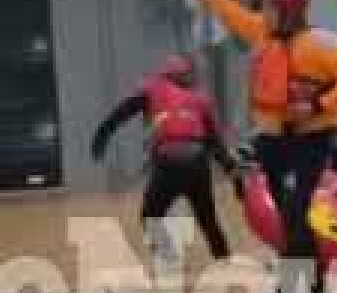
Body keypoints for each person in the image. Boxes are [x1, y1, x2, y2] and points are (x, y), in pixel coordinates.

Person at [187, 0, 337, 293]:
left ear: (285, 12)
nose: (262, 13)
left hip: (310, 139)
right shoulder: (261, 34)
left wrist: (318, 103)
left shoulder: (323, 44)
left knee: (297, 210)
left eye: (269, 7)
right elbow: (228, 10)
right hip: (273, 143)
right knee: (290, 217)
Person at [90, 54, 238, 266]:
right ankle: (225, 262)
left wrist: (101, 137)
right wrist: (234, 176)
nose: (192, 78)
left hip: (169, 165)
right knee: (208, 220)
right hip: (197, 165)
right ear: (180, 76)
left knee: (149, 216)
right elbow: (217, 144)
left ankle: (168, 257)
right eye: (189, 74)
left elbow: (121, 113)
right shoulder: (201, 100)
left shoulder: (151, 90)